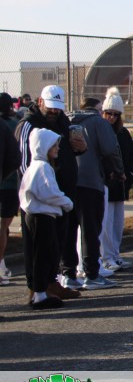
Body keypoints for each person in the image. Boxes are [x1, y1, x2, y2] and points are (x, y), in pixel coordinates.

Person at [17, 85, 84, 299]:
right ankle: (36, 286)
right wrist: (40, 191)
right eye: (50, 106)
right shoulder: (29, 124)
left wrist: (80, 148)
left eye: (58, 107)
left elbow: (66, 151)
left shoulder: (62, 121)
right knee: (38, 246)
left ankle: (51, 281)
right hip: (40, 200)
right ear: (40, 102)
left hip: (60, 195)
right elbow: (24, 165)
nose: (54, 111)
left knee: (57, 243)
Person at [69, 96, 124, 289]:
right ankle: (91, 273)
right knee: (91, 230)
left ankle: (68, 274)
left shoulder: (67, 120)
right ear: (96, 109)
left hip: (68, 182)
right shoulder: (98, 123)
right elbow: (110, 149)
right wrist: (119, 171)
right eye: (102, 109)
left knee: (69, 231)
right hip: (91, 182)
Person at [20, 128, 74, 309]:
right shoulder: (42, 167)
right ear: (43, 146)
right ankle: (40, 295)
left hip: (38, 215)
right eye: (54, 145)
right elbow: (48, 193)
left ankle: (40, 292)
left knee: (43, 254)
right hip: (41, 217)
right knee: (43, 255)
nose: (58, 148)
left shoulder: (35, 166)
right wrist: (66, 202)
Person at [99, 88, 133, 273]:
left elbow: (131, 155)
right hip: (107, 184)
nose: (112, 117)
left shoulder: (123, 133)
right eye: (109, 113)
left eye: (116, 114)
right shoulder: (100, 131)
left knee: (117, 224)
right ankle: (106, 257)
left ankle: (115, 254)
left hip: (121, 185)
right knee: (106, 224)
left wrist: (130, 175)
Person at [0, 93, 20, 285]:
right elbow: (16, 157)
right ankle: (1, 264)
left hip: (7, 181)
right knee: (3, 226)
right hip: (9, 183)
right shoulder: (13, 126)